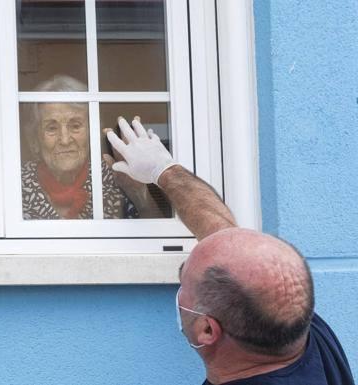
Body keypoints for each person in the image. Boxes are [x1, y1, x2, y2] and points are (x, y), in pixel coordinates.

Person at [106, 117, 355, 385]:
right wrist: (163, 170)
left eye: (184, 284)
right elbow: (226, 241)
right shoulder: (304, 338)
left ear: (207, 329)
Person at [21, 75, 165, 219]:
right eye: (51, 128)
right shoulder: (16, 183)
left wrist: (139, 193)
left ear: (92, 133)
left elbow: (160, 236)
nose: (64, 140)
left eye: (75, 126)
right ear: (34, 138)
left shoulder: (114, 176)